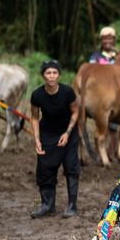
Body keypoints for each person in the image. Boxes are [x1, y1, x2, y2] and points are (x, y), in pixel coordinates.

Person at [29, 60, 80, 219]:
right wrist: (37, 139)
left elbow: (75, 112)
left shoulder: (67, 92)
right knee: (45, 168)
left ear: (59, 74)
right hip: (47, 133)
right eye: (48, 73)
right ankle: (47, 205)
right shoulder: (37, 95)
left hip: (68, 132)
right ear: (43, 75)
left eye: (54, 73)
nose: (51, 76)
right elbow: (35, 118)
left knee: (71, 167)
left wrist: (67, 132)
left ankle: (72, 206)